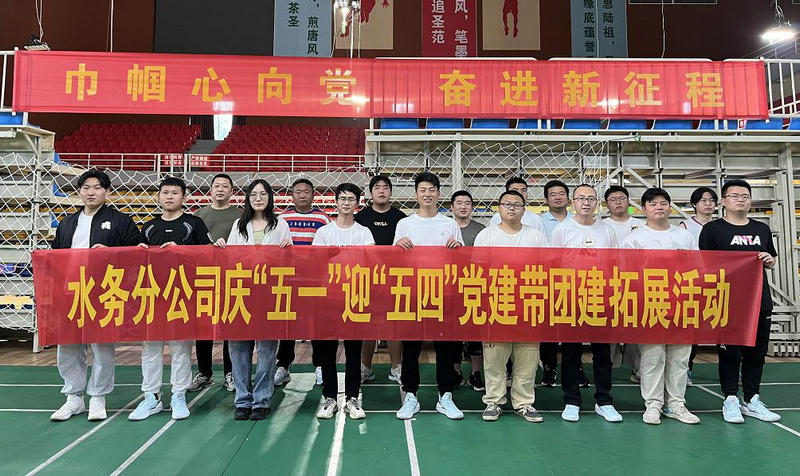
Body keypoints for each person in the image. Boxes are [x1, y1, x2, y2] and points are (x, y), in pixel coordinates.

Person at [50, 169, 143, 422]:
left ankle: (98, 397)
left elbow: (137, 253)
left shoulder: (120, 221)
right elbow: (55, 257)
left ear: (106, 191)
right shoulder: (67, 223)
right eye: (86, 187)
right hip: (72, 292)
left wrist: (110, 252)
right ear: (79, 192)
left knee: (102, 346)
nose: (91, 192)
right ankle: (74, 397)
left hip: (104, 292)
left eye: (97, 187)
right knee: (68, 346)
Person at [129, 177, 213, 421]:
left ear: (184, 197)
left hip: (182, 295)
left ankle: (179, 395)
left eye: (175, 192)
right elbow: (136, 263)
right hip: (153, 295)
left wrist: (182, 251)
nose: (169, 196)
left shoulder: (194, 223)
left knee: (181, 349)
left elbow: (208, 257)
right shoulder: (149, 226)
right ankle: (151, 397)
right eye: (165, 192)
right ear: (158, 196)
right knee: (150, 349)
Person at [700, 179, 781, 424]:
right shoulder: (712, 230)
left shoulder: (761, 229)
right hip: (728, 301)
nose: (741, 200)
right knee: (730, 353)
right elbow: (704, 264)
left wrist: (770, 260)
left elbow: (772, 258)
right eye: (734, 196)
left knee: (756, 353)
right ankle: (730, 398)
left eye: (745, 196)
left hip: (759, 301)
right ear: (724, 201)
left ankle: (752, 398)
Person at [622, 188, 700, 425]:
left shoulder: (684, 236)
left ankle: (676, 404)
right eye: (653, 203)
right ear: (644, 208)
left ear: (669, 207)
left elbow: (698, 268)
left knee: (679, 357)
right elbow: (626, 273)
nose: (659, 207)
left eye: (663, 203)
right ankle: (653, 404)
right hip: (650, 304)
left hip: (681, 303)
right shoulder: (634, 238)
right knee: (653, 357)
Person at [216, 179, 292, 420]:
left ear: (270, 198)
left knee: (267, 350)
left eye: (263, 194)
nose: (258, 198)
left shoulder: (281, 224)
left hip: (269, 294)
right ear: (248, 198)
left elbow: (288, 261)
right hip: (241, 292)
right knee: (238, 348)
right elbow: (229, 260)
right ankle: (242, 400)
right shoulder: (239, 225)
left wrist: (288, 249)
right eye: (253, 194)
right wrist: (222, 247)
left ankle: (262, 400)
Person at [394, 172, 465, 420]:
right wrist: (398, 247)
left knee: (445, 347)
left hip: (442, 293)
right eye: (423, 189)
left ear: (438, 193)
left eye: (432, 189)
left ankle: (445, 395)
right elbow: (395, 260)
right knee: (411, 347)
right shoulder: (404, 224)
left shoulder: (449, 224)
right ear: (416, 194)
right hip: (413, 294)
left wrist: (457, 248)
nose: (427, 194)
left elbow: (460, 260)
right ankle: (410, 395)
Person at [551, 184, 622, 423]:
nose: (586, 203)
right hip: (571, 297)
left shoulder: (607, 230)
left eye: (591, 198)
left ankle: (604, 401)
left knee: (602, 353)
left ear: (597, 203)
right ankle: (571, 400)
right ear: (573, 202)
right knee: (570, 352)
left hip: (601, 297)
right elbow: (555, 265)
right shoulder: (562, 230)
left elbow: (615, 263)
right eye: (581, 198)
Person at [475, 190, 548, 422]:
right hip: (496, 303)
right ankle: (494, 401)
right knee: (494, 356)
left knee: (527, 356)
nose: (512, 208)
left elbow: (547, 268)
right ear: (499, 208)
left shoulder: (536, 235)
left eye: (517, 204)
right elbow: (478, 271)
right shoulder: (486, 235)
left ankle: (524, 403)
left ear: (524, 210)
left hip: (528, 303)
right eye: (507, 204)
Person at [312, 183, 375, 420]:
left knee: (353, 351)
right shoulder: (324, 232)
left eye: (351, 199)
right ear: (336, 202)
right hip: (328, 298)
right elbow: (315, 262)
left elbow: (369, 261)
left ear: (357, 203)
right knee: (327, 351)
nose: (346, 203)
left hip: (354, 298)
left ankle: (352, 398)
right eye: (342, 198)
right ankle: (329, 398)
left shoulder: (364, 232)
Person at [275, 178, 331, 387]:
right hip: (288, 279)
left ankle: (320, 365)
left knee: (316, 323)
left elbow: (329, 247)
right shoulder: (282, 218)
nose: (302, 195)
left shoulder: (323, 218)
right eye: (298, 191)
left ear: (313, 194)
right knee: (287, 323)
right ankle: (283, 365)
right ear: (292, 195)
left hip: (315, 280)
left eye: (306, 191)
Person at [190, 173, 241, 393]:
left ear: (232, 191)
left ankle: (230, 372)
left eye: (225, 186)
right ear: (210, 190)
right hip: (205, 277)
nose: (220, 189)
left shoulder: (240, 215)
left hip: (231, 277)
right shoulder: (198, 215)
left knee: (229, 327)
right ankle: (204, 373)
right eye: (216, 186)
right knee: (204, 328)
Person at [355, 175, 406, 384]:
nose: (382, 190)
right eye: (377, 187)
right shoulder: (361, 217)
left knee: (393, 323)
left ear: (391, 192)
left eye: (386, 187)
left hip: (394, 278)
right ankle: (365, 367)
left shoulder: (401, 218)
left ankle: (396, 367)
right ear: (370, 192)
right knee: (367, 324)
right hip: (367, 278)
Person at [602, 185, 645, 383]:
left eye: (622, 198)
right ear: (606, 204)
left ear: (628, 201)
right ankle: (607, 368)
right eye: (613, 199)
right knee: (609, 328)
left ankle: (638, 368)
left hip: (637, 283)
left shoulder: (641, 225)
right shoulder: (601, 226)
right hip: (608, 283)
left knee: (636, 327)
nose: (618, 202)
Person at [680, 186, 718, 385]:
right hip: (694, 283)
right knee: (692, 327)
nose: (708, 204)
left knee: (722, 327)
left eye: (711, 200)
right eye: (703, 200)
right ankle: (687, 367)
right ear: (694, 204)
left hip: (719, 282)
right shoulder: (685, 227)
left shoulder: (722, 226)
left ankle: (730, 369)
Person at [451, 189, 486, 391]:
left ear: (472, 207)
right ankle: (455, 371)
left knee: (474, 331)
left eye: (467, 203)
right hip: (451, 286)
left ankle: (475, 373)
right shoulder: (446, 227)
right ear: (452, 207)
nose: (463, 206)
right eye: (459, 203)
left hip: (475, 285)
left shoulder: (481, 230)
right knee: (453, 331)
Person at [538, 180, 572, 388]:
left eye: (561, 193)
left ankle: (574, 368)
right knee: (549, 327)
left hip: (574, 281)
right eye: (553, 194)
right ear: (546, 199)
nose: (558, 197)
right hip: (547, 279)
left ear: (568, 198)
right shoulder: (539, 222)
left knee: (571, 326)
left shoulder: (578, 220)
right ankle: (548, 368)